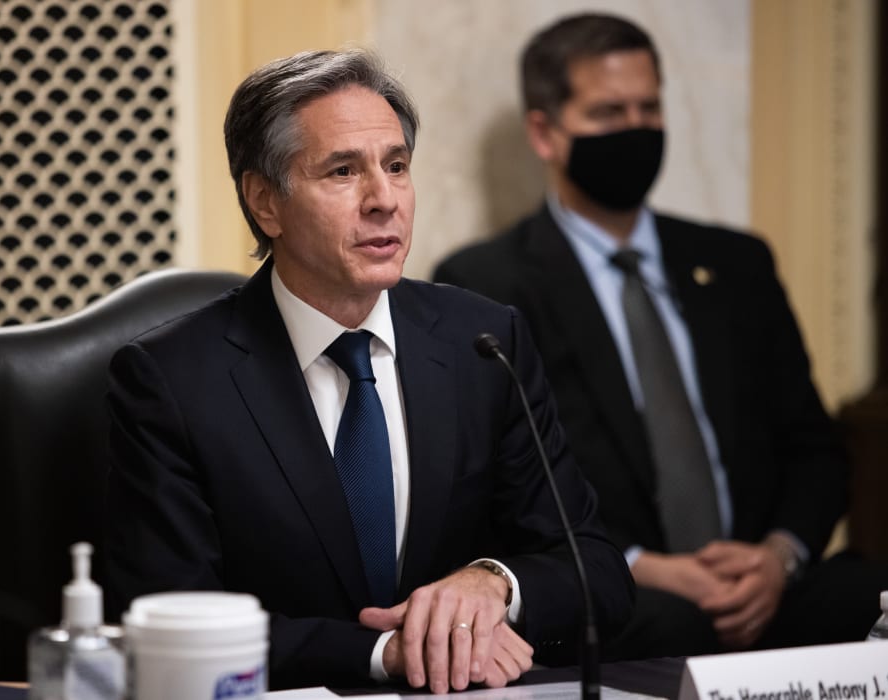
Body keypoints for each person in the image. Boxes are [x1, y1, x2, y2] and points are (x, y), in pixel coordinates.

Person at [103, 49, 633, 692]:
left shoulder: (484, 344)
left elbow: (597, 571)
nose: (384, 200)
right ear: (265, 202)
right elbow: (171, 623)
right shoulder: (170, 381)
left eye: (397, 166)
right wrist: (388, 651)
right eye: (343, 171)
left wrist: (493, 583)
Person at [435, 13, 887, 659]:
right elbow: (499, 488)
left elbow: (813, 446)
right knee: (663, 623)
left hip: (767, 587)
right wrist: (638, 565)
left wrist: (778, 557)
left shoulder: (737, 263)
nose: (637, 129)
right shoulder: (488, 281)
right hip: (628, 592)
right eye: (609, 112)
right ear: (545, 132)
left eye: (650, 107)